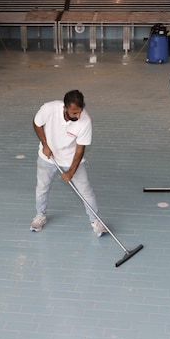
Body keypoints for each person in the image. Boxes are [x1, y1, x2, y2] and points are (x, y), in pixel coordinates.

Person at [30, 90, 107, 237]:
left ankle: (95, 221)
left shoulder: (85, 121)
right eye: (74, 113)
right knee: (42, 188)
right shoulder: (49, 109)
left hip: (70, 158)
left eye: (79, 112)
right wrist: (45, 144)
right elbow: (37, 123)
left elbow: (80, 149)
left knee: (85, 190)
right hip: (47, 157)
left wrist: (71, 171)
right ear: (65, 108)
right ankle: (40, 215)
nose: (78, 116)